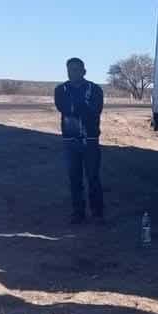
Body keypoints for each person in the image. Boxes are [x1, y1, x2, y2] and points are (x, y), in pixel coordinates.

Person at [54, 58, 105, 224]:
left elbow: (95, 110)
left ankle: (97, 213)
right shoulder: (60, 90)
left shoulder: (95, 89)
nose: (73, 73)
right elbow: (64, 108)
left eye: (76, 69)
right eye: (70, 70)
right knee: (74, 178)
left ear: (84, 71)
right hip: (70, 140)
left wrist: (78, 108)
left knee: (93, 177)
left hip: (90, 140)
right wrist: (83, 107)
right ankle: (78, 213)